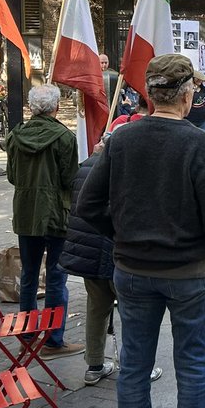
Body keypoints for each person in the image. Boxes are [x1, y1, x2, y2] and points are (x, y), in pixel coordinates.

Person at [78, 54, 205, 408]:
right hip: (191, 273)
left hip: (132, 270)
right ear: (188, 97)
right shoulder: (199, 144)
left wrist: (124, 235)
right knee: (191, 368)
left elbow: (87, 207)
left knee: (134, 366)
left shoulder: (122, 139)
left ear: (151, 94)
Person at [61, 143, 164, 387]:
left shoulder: (83, 168)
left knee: (97, 309)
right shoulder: (122, 169)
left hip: (87, 252)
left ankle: (94, 364)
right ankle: (135, 366)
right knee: (132, 311)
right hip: (116, 251)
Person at [6, 84, 81, 358]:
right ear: (56, 107)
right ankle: (54, 340)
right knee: (56, 276)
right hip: (56, 212)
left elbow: (12, 176)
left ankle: (27, 335)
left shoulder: (15, 136)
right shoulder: (63, 137)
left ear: (31, 107)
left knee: (28, 275)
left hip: (26, 211)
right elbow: (69, 179)